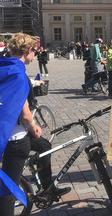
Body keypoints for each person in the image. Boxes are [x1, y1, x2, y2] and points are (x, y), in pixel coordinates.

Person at [0, 33, 69, 215]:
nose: (35, 55)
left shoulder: (4, 66)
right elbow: (24, 112)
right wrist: (33, 126)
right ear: (28, 51)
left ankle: (47, 187)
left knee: (44, 146)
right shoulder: (18, 74)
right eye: (34, 51)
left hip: (5, 133)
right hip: (14, 138)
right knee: (8, 189)